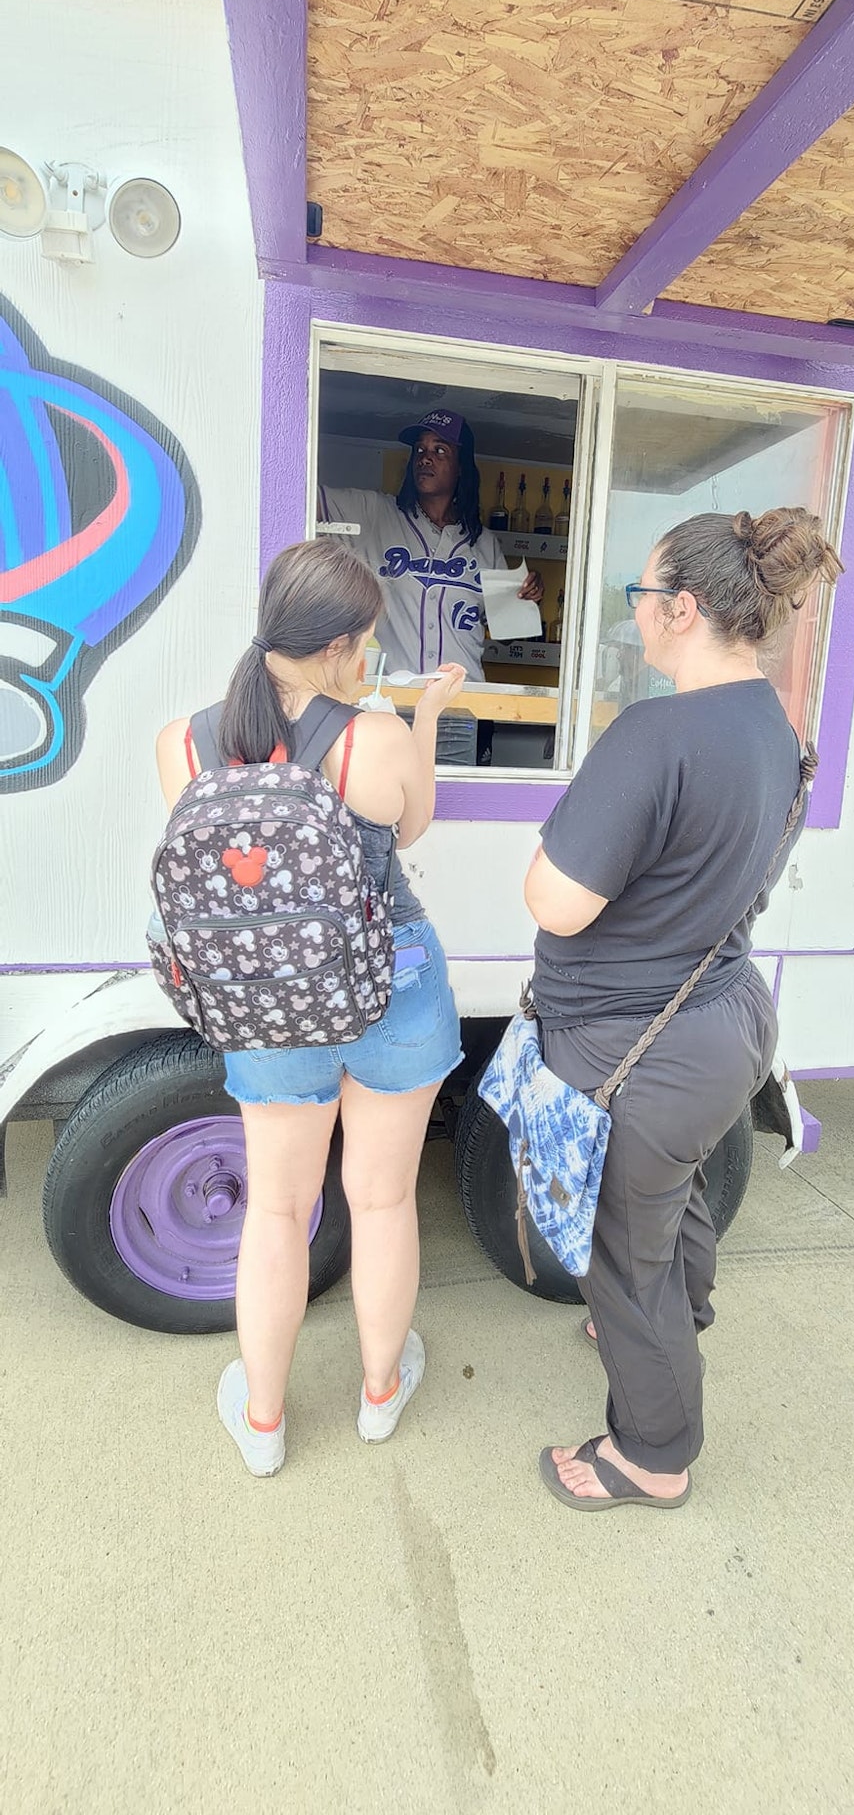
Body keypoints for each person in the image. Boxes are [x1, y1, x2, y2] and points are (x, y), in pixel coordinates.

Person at [524, 507, 844, 1510]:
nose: (635, 616)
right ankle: (688, 1303)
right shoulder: (772, 728)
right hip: (723, 1020)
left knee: (626, 1250)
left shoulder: (654, 733)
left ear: (682, 607)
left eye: (640, 596)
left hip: (635, 1046)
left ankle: (651, 1453)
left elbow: (554, 898)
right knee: (675, 1192)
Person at [155, 538, 466, 1477]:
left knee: (277, 1213)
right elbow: (412, 826)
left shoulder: (183, 743)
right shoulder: (371, 739)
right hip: (391, 986)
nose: (368, 658)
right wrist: (425, 718)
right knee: (379, 1199)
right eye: (366, 642)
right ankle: (378, 1392)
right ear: (339, 647)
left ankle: (262, 1420)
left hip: (265, 1001)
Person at [318, 409, 543, 764]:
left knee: (451, 811)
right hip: (389, 702)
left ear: (461, 468)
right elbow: (300, 492)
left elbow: (509, 632)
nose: (425, 458)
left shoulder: (485, 545)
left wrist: (527, 599)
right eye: (419, 450)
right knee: (386, 806)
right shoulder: (376, 513)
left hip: (464, 705)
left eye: (440, 450)